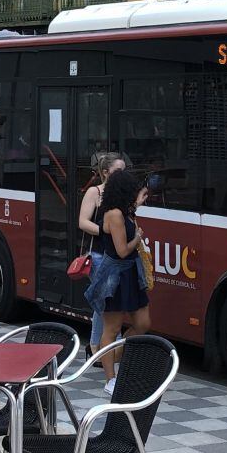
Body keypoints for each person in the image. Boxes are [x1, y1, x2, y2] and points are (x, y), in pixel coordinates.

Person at [85, 169, 151, 395]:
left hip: (130, 274)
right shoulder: (114, 214)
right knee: (111, 328)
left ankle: (110, 356)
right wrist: (138, 238)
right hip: (115, 276)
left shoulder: (125, 211)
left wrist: (138, 206)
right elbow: (122, 250)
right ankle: (110, 379)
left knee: (143, 323)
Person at [78, 152, 126, 363]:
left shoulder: (123, 194)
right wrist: (105, 230)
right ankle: (101, 347)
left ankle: (96, 346)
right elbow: (83, 222)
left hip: (117, 255)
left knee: (106, 301)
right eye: (118, 171)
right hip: (98, 255)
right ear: (105, 172)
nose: (123, 175)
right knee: (106, 301)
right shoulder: (94, 192)